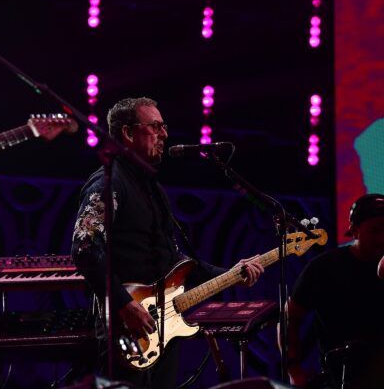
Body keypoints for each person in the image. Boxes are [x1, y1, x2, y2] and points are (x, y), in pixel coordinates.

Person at [71, 97, 264, 388]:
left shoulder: (154, 189)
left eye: (164, 127)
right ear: (128, 133)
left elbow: (174, 262)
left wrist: (232, 273)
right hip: (124, 328)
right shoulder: (108, 183)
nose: (165, 134)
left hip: (161, 329)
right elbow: (84, 248)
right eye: (156, 127)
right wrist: (125, 305)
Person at [286, 193, 384, 388]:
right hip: (341, 378)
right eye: (376, 230)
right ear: (354, 230)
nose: (382, 238)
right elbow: (290, 318)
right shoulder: (325, 267)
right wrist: (294, 370)